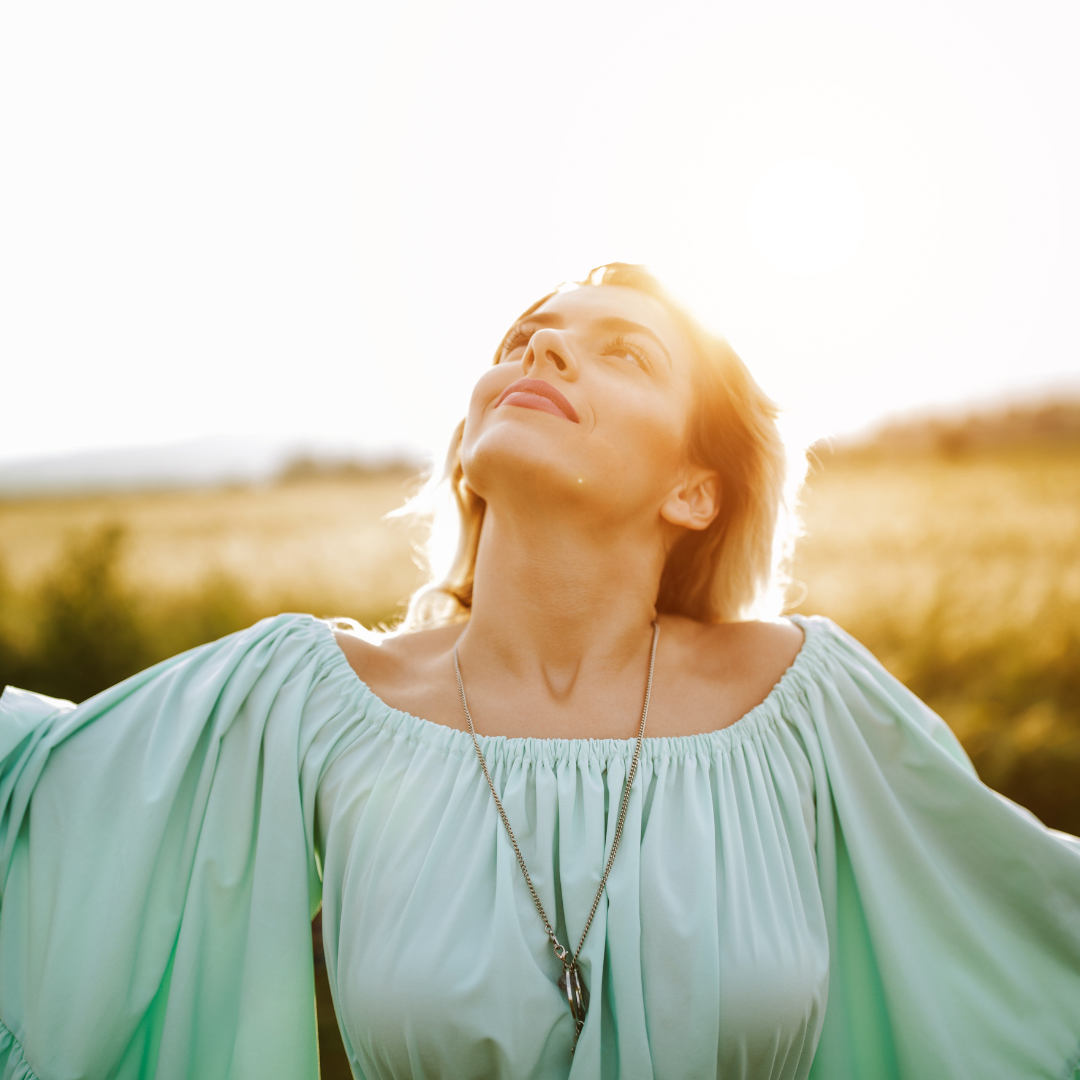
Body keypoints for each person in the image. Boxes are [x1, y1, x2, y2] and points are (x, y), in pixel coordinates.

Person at [0, 264, 1078, 1080]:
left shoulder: (803, 701)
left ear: (694, 491)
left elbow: (1030, 923)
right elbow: (41, 793)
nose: (544, 350)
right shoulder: (311, 700)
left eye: (625, 354)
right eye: (523, 338)